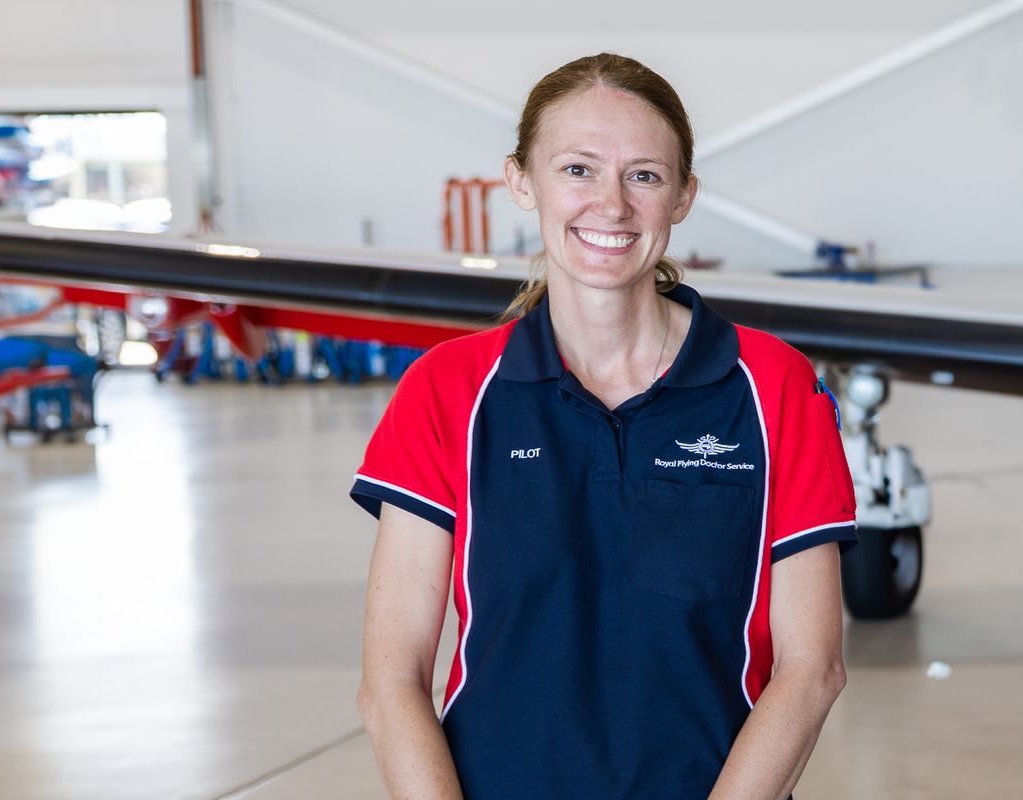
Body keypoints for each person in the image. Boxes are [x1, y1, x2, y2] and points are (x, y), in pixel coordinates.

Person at [351, 52, 857, 800]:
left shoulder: (773, 387)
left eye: (644, 175)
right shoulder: (447, 391)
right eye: (578, 169)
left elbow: (812, 669)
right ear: (522, 180)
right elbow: (391, 680)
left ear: (683, 195)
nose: (612, 206)